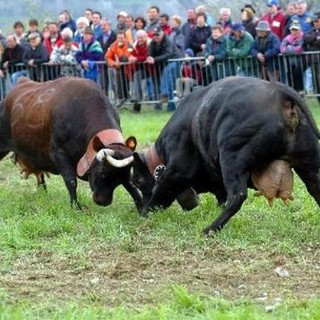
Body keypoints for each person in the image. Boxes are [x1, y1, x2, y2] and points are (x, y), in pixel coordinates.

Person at [146, 27, 183, 111]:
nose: (156, 37)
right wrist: (149, 57)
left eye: (157, 35)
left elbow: (168, 54)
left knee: (167, 75)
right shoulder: (153, 42)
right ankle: (169, 105)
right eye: (154, 35)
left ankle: (165, 95)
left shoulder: (168, 41)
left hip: (175, 60)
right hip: (164, 63)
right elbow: (150, 52)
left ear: (162, 33)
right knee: (166, 82)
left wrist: (154, 59)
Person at [106, 31, 132, 107]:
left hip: (128, 69)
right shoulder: (113, 45)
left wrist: (118, 49)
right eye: (118, 38)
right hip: (117, 69)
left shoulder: (129, 46)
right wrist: (113, 63)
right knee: (117, 83)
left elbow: (125, 58)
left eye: (122, 38)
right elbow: (107, 57)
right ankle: (120, 99)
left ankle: (128, 98)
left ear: (125, 38)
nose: (120, 40)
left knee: (127, 85)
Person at [129, 29, 151, 112]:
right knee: (136, 82)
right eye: (138, 37)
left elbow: (148, 55)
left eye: (142, 37)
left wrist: (136, 59)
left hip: (149, 68)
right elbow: (133, 55)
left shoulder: (149, 44)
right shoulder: (135, 45)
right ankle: (136, 103)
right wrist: (131, 58)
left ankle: (136, 100)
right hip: (138, 68)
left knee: (137, 77)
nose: (140, 39)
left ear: (145, 37)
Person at [280, 21, 305, 94]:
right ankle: (292, 92)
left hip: (300, 62)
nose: (294, 32)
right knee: (290, 76)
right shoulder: (287, 38)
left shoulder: (303, 37)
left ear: (299, 30)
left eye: (296, 30)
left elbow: (300, 49)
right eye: (292, 30)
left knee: (299, 76)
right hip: (289, 62)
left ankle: (301, 91)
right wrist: (293, 49)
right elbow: (282, 49)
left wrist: (289, 48)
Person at [97, 18, 117, 96]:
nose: (103, 27)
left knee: (114, 83)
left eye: (104, 25)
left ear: (109, 26)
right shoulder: (99, 38)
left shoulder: (115, 36)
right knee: (104, 83)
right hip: (103, 64)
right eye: (101, 25)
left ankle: (117, 99)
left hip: (112, 63)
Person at [303, 12, 320, 102]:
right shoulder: (311, 30)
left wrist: (313, 39)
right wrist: (316, 38)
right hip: (314, 59)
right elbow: (306, 39)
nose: (315, 23)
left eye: (317, 21)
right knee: (315, 79)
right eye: (314, 22)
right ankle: (318, 98)